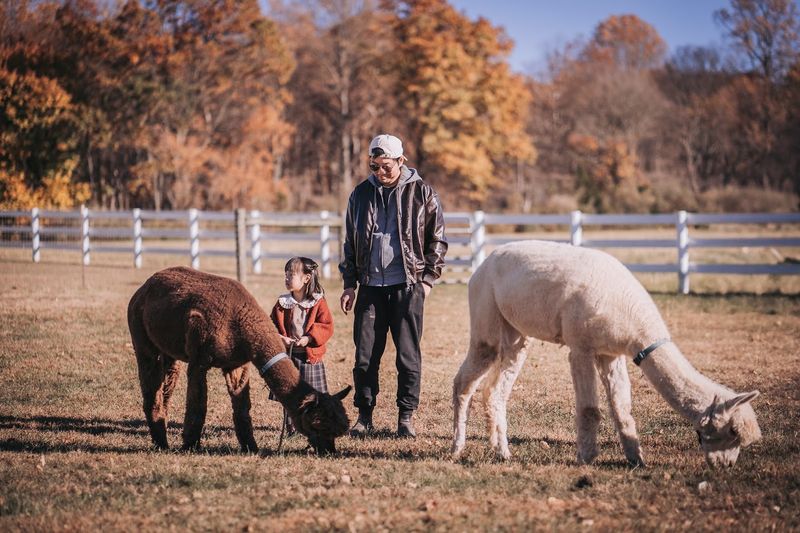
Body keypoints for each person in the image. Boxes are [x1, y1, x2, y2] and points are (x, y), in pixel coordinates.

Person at [339, 133, 447, 438]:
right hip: (370, 286)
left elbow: (437, 241)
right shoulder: (360, 194)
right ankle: (364, 415)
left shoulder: (423, 193)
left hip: (408, 286)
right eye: (374, 166)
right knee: (365, 356)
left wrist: (427, 282)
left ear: (401, 161)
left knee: (407, 356)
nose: (379, 172)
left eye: (385, 166)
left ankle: (405, 417)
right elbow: (350, 241)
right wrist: (349, 284)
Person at [270, 256, 334, 435]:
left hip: (309, 358)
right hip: (288, 357)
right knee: (290, 394)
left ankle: (316, 426)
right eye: (285, 274)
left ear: (306, 278)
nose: (286, 278)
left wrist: (308, 338)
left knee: (313, 397)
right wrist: (281, 338)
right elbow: (271, 326)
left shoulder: (317, 302)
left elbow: (326, 326)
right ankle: (292, 428)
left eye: (291, 275)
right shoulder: (282, 303)